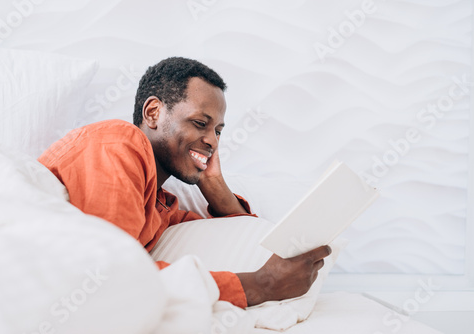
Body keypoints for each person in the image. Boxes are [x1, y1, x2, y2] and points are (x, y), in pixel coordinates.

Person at [38, 57, 331, 308]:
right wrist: (261, 285)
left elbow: (241, 235)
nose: (212, 141)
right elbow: (114, 280)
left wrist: (215, 185)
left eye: (218, 131)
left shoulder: (162, 208)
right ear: (153, 113)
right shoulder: (118, 142)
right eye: (201, 124)